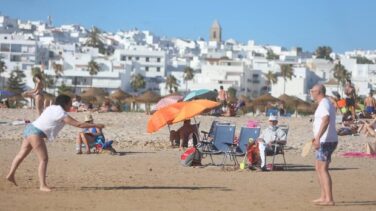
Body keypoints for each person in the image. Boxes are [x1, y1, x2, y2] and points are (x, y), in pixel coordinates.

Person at [6, 94, 105, 192]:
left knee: (21, 154)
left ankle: (10, 174)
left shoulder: (52, 107)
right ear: (65, 103)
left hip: (30, 128)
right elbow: (79, 124)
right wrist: (96, 125)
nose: (71, 105)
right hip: (36, 133)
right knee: (44, 159)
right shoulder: (61, 113)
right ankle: (42, 185)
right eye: (70, 103)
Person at [310, 84, 338, 206]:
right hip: (324, 139)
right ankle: (323, 196)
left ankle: (329, 199)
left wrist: (318, 137)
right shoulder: (324, 103)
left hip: (326, 141)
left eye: (313, 90)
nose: (311, 92)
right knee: (318, 168)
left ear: (319, 92)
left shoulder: (324, 103)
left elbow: (326, 120)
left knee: (322, 169)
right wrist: (316, 137)